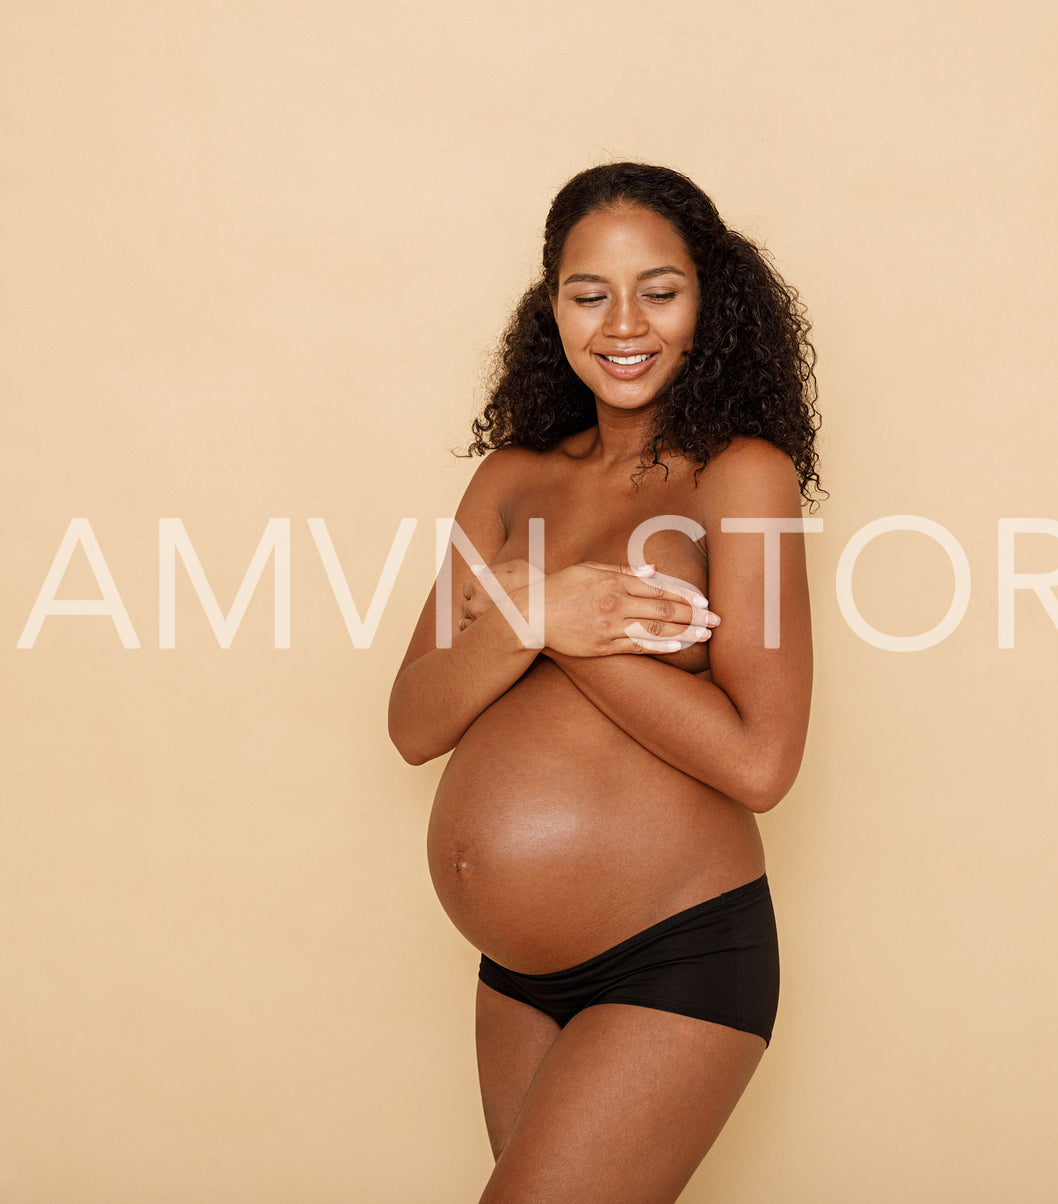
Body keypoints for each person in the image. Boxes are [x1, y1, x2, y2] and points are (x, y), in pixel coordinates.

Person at [387, 161, 820, 1204]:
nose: (622, 323)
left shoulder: (737, 475)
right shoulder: (509, 479)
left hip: (671, 955)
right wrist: (534, 614)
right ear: (552, 307)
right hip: (514, 979)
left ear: (707, 300)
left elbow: (760, 763)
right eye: (588, 293)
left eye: (658, 291)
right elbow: (412, 719)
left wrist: (573, 631)